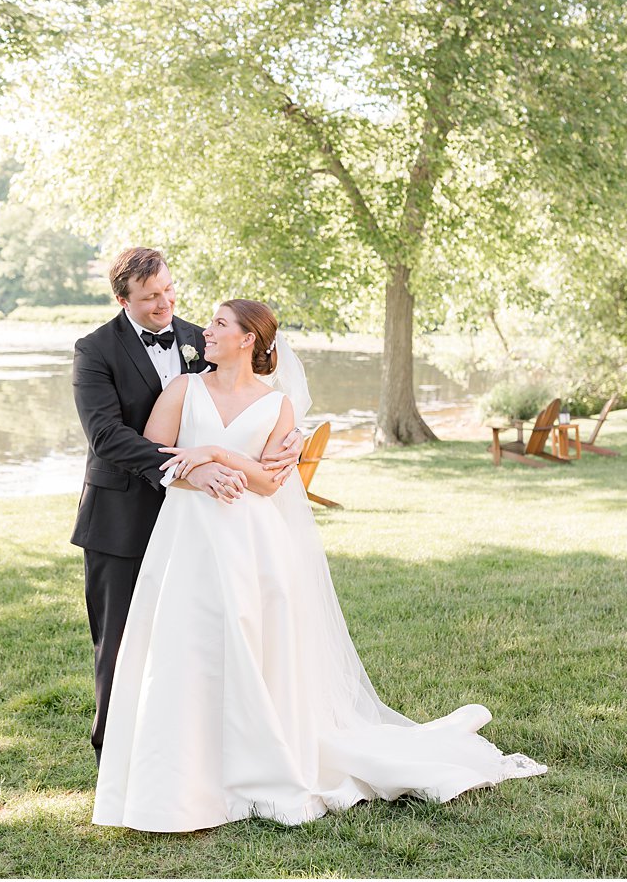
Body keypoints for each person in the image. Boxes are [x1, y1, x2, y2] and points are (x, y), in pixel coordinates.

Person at [92, 298, 546, 832]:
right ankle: (182, 773)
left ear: (248, 340)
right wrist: (202, 473)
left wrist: (223, 454)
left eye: (218, 324)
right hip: (189, 531)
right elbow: (158, 457)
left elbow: (267, 481)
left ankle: (255, 763)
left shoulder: (276, 406)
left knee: (252, 642)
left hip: (251, 538)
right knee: (187, 644)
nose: (204, 331)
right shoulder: (183, 389)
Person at [71, 249, 302, 768]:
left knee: (198, 630)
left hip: (204, 521)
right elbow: (107, 436)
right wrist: (189, 468)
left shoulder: (205, 337)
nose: (165, 303)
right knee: (121, 637)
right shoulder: (95, 350)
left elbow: (248, 396)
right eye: (151, 296)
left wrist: (291, 438)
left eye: (169, 290)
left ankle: (194, 745)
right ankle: (114, 750)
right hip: (122, 514)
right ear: (122, 297)